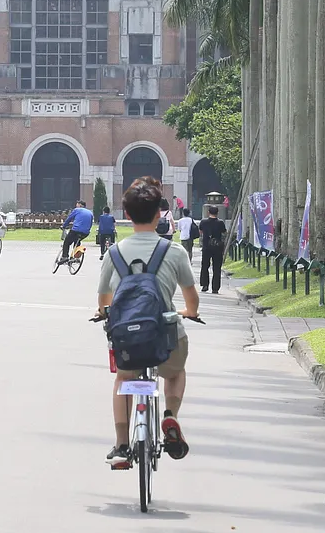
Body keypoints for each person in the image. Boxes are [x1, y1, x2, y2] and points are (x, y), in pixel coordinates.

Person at [97, 177, 199, 468]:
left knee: (123, 378)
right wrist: (187, 312)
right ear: (159, 215)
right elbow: (192, 301)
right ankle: (170, 416)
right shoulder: (174, 251)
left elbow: (103, 300)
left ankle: (121, 444)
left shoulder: (113, 253)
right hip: (166, 334)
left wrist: (104, 311)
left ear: (126, 215)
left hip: (128, 337)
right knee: (175, 373)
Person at [198, 206, 227, 294]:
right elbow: (224, 233)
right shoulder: (220, 222)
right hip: (217, 247)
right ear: (217, 213)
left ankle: (204, 285)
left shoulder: (203, 222)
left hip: (206, 247)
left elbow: (201, 232)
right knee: (217, 268)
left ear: (208, 212)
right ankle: (215, 288)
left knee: (205, 266)